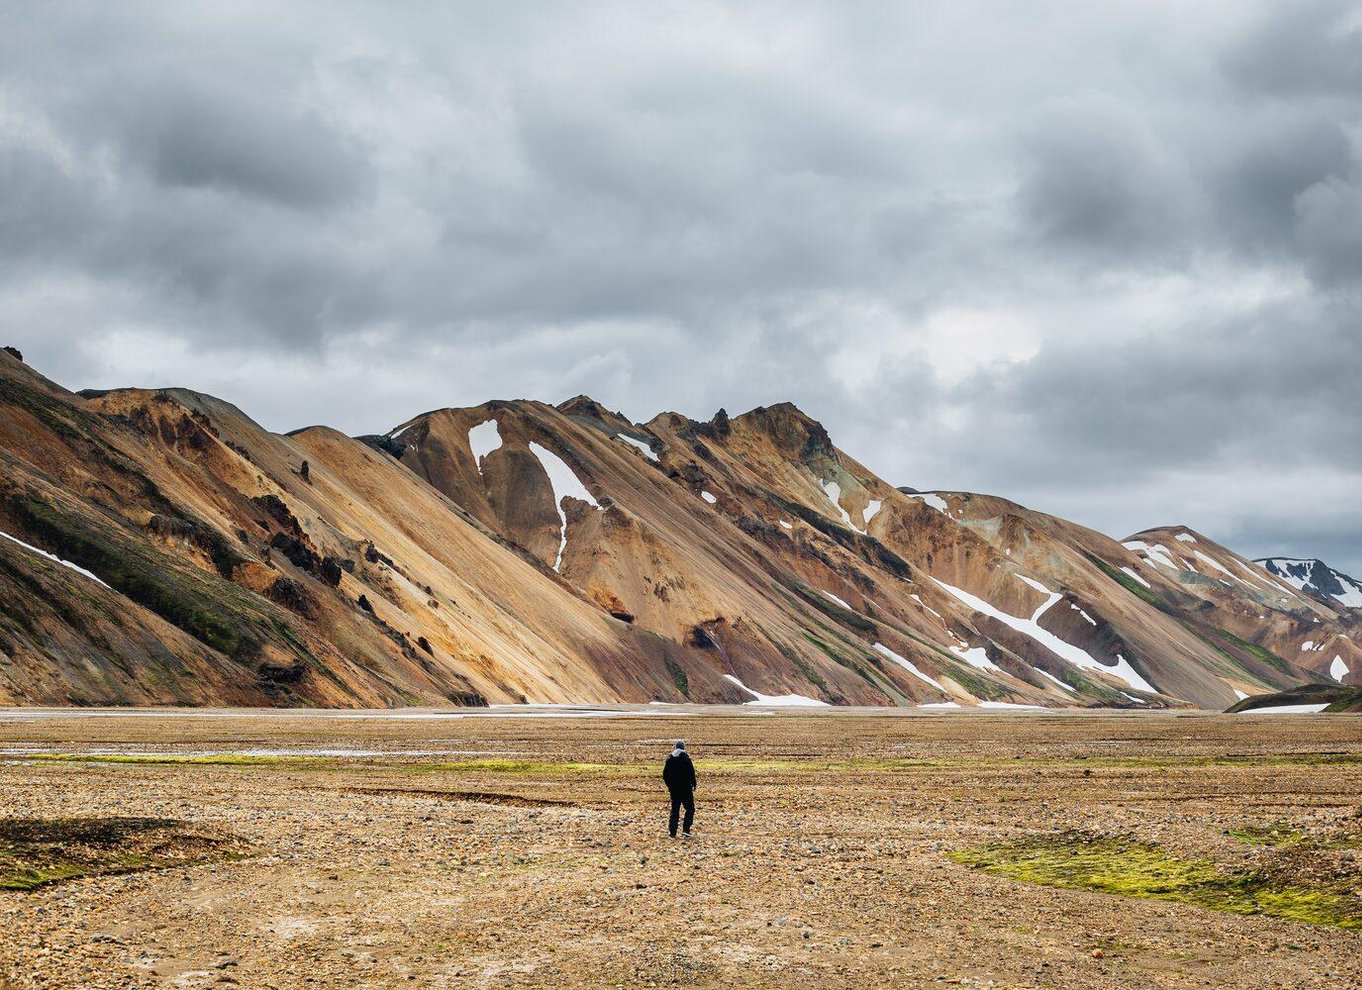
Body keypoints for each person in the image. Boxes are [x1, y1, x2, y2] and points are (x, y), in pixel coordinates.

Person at [662, 739, 697, 838]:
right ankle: (686, 830)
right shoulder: (686, 759)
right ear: (683, 748)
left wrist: (669, 785)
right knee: (690, 809)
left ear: (675, 747)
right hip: (686, 789)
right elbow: (691, 773)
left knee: (675, 810)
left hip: (674, 790)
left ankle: (672, 832)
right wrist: (694, 784)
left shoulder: (670, 759)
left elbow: (665, 775)